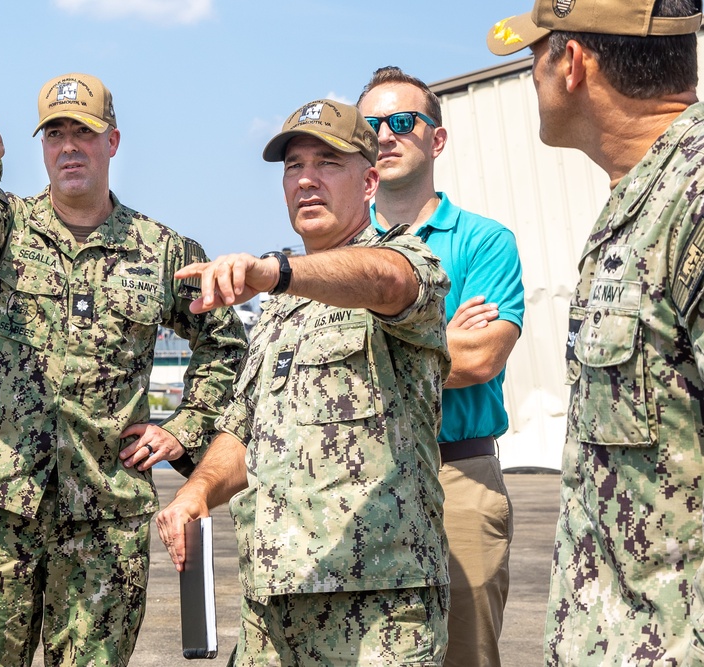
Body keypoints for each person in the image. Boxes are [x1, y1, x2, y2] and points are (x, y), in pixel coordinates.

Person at [0, 72, 248, 667]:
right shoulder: (3, 226)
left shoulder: (162, 251)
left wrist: (186, 428)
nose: (69, 147)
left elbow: (224, 344)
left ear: (112, 142)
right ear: (42, 147)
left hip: (104, 519)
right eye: (55, 134)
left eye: (84, 133)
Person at [155, 99, 452, 666]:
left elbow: (387, 281)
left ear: (369, 182)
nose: (307, 179)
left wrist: (276, 270)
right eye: (294, 166)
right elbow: (244, 430)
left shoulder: (405, 259)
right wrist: (197, 491)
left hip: (377, 607)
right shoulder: (279, 308)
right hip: (271, 605)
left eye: (327, 163)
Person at [487, 0, 704, 663]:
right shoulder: (646, 193)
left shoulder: (692, 195)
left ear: (573, 63)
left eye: (535, 53)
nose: (531, 73)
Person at [356, 67, 525, 667]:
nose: (385, 135)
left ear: (438, 138)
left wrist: (365, 351)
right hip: (358, 480)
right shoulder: (338, 250)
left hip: (459, 478)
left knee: (465, 655)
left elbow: (480, 358)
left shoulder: (485, 242)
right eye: (370, 125)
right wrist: (440, 340)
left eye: (403, 122)